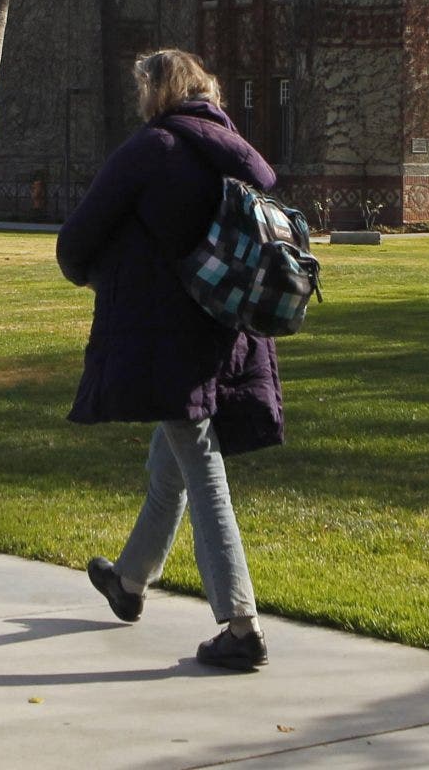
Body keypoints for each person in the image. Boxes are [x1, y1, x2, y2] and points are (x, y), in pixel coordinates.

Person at [56, 49, 283, 673]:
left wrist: (90, 272)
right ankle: (129, 582)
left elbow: (76, 239)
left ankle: (241, 624)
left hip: (167, 333)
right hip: (228, 324)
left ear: (157, 91)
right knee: (173, 457)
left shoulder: (151, 148)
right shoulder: (230, 149)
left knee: (198, 459)